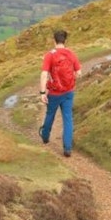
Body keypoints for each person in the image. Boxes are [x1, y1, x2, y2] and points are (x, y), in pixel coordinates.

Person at [39, 28, 81, 157]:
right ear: (65, 40)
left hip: (54, 93)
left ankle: (45, 136)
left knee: (50, 114)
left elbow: (44, 74)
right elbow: (78, 73)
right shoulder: (71, 53)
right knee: (68, 119)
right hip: (68, 92)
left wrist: (42, 93)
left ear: (54, 41)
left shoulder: (50, 55)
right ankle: (67, 148)